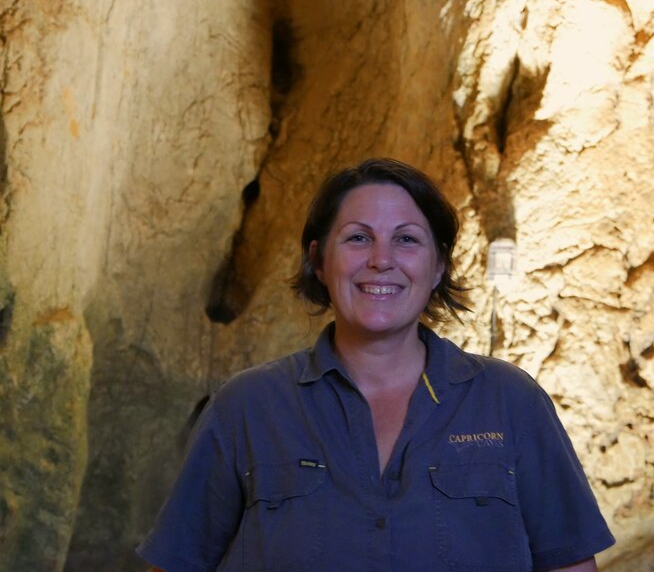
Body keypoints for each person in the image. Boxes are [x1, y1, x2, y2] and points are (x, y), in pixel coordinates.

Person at [137, 158, 615, 572]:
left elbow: (569, 561)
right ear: (319, 261)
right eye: (358, 238)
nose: (381, 260)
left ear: (439, 266)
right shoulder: (246, 408)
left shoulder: (511, 402)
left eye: (406, 240)